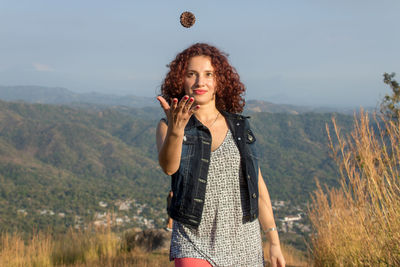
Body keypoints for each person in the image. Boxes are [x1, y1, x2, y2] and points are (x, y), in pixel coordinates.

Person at [156, 43, 285, 267]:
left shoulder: (238, 127)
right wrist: (177, 130)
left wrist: (273, 240)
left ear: (219, 81)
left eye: (208, 74)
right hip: (192, 240)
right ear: (181, 80)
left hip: (244, 242)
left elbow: (258, 185)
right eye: (191, 74)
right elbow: (169, 167)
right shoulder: (168, 125)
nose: (200, 82)